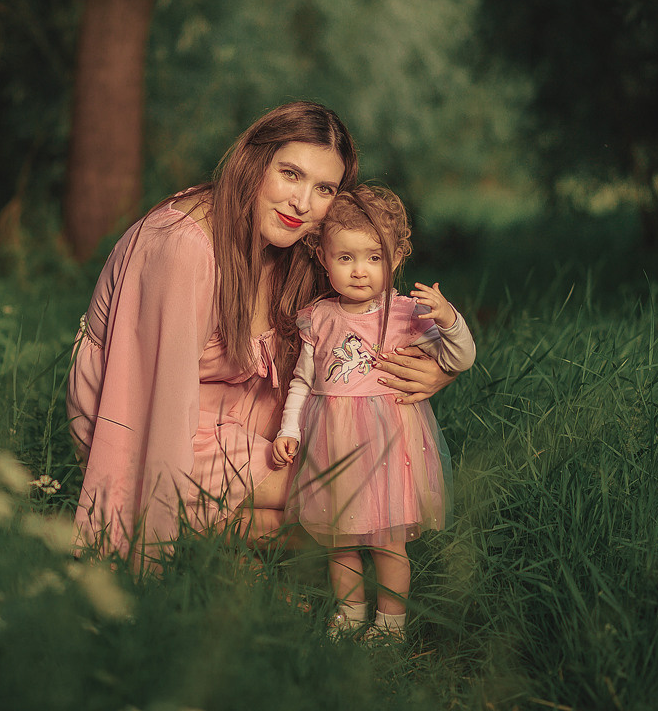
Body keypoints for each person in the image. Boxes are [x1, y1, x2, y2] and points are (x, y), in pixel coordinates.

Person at [66, 101, 456, 562]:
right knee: (343, 489)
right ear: (254, 161)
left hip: (236, 407)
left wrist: (438, 370)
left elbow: (366, 326)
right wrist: (145, 550)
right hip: (146, 411)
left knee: (353, 484)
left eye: (324, 188)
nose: (302, 203)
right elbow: (159, 413)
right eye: (290, 174)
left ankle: (222, 527)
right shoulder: (183, 248)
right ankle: (210, 530)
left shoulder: (299, 243)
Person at [271, 185, 476, 640]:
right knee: (337, 541)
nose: (360, 271)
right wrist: (289, 427)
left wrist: (448, 320)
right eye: (345, 258)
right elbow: (303, 381)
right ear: (323, 257)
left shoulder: (405, 315)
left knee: (387, 542)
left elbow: (461, 358)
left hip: (387, 447)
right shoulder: (318, 317)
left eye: (374, 258)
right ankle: (348, 613)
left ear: (397, 257)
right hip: (331, 446)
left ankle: (390, 623)